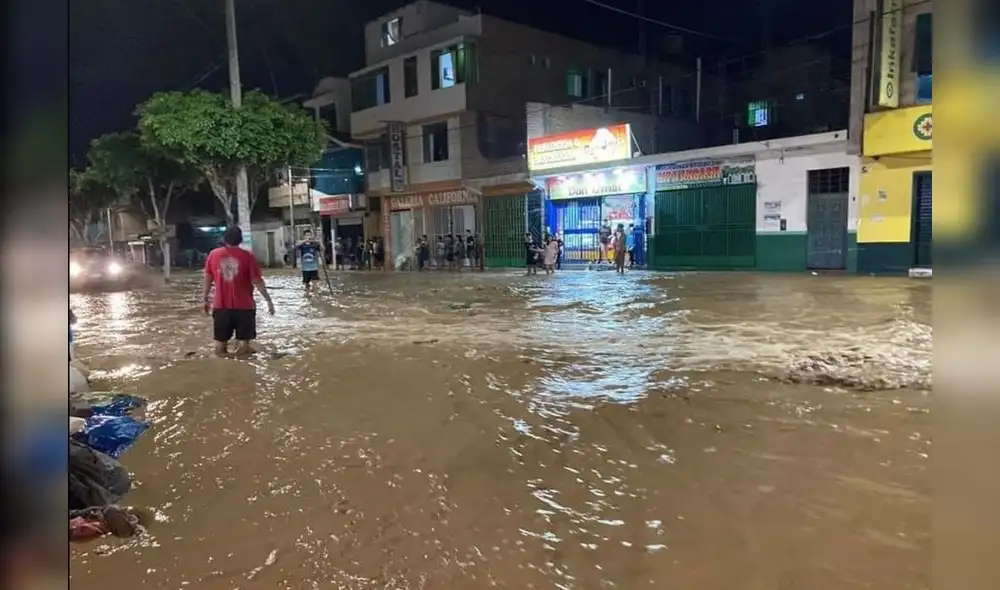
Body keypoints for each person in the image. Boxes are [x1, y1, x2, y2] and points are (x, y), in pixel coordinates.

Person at [202, 226, 275, 358]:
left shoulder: (214, 254)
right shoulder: (248, 256)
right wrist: (269, 301)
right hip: (245, 307)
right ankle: (242, 373)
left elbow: (207, 278)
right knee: (244, 347)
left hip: (221, 306)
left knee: (219, 347)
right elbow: (257, 281)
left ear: (224, 239)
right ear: (240, 239)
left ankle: (223, 372)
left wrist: (205, 299)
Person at [296, 229, 322, 293]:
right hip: (305, 268)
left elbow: (322, 249)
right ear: (304, 236)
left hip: (314, 267)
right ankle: (307, 295)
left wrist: (320, 242)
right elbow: (296, 246)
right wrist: (305, 241)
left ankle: (315, 295)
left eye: (309, 235)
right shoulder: (302, 245)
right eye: (307, 235)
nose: (308, 236)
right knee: (306, 284)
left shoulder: (314, 244)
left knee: (315, 283)